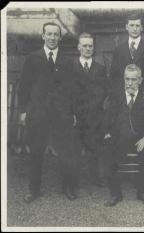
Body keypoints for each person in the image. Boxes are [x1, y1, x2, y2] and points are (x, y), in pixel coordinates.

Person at [18, 22, 79, 202]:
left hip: (61, 116)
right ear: (43, 36)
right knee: (36, 153)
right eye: (49, 34)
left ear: (60, 38)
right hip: (38, 115)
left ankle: (67, 188)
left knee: (65, 153)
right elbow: (24, 87)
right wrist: (23, 111)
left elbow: (71, 90)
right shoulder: (32, 58)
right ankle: (33, 190)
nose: (52, 38)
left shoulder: (66, 61)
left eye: (55, 35)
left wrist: (73, 112)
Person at [103, 64, 144, 207]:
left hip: (139, 139)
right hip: (118, 138)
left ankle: (142, 191)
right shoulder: (116, 96)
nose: (130, 83)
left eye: (134, 79)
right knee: (107, 151)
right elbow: (107, 118)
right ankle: (115, 193)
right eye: (127, 79)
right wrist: (107, 133)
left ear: (140, 80)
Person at [72, 32, 109, 187]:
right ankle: (72, 181)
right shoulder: (71, 66)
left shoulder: (100, 68)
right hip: (75, 115)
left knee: (95, 147)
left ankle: (94, 177)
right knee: (74, 148)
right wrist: (74, 111)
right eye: (84, 46)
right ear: (79, 47)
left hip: (94, 115)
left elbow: (103, 91)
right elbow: (68, 91)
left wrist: (93, 108)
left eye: (90, 46)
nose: (87, 49)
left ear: (93, 48)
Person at [110, 13, 144, 102]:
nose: (134, 28)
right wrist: (118, 93)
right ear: (126, 27)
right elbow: (114, 76)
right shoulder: (118, 50)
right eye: (132, 25)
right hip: (123, 98)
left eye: (137, 26)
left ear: (142, 28)